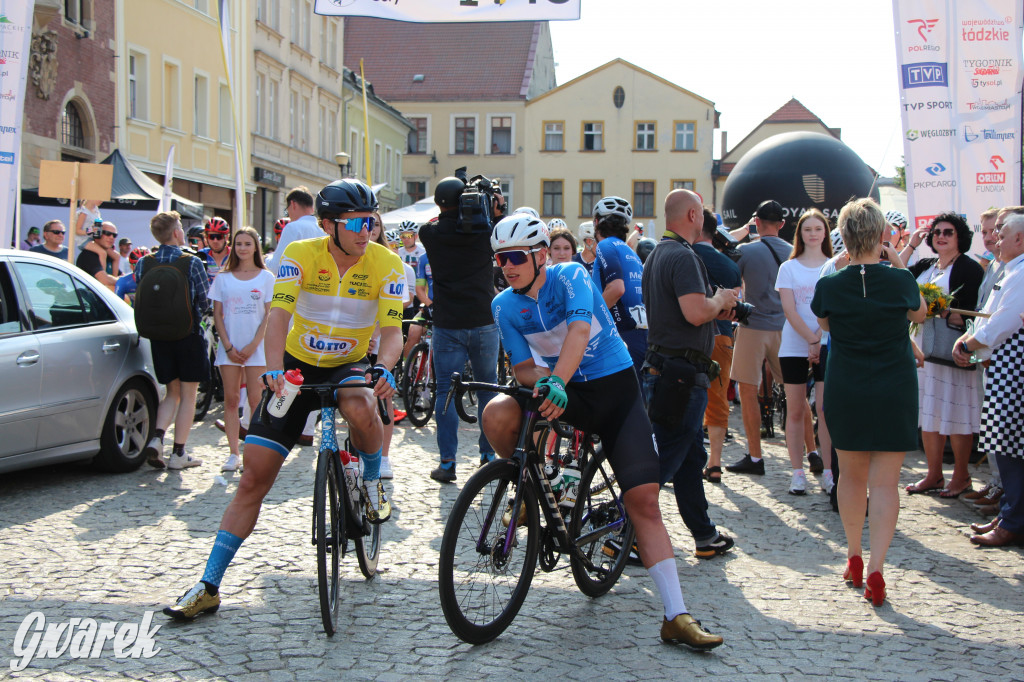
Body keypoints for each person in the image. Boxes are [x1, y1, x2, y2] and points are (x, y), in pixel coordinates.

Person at [163, 179, 402, 621]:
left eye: (370, 221)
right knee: (252, 480)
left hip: (348, 362)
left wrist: (385, 366)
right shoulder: (300, 255)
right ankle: (208, 584)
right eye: (355, 223)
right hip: (295, 364)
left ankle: (371, 478)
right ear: (328, 224)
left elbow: (391, 332)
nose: (365, 230)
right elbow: (279, 317)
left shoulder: (387, 264)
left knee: (359, 400)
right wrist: (273, 370)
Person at [483, 212, 723, 649]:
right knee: (497, 413)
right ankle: (534, 491)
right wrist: (546, 382)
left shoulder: (570, 274)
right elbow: (520, 367)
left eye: (515, 256)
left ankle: (676, 615)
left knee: (643, 502)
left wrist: (555, 377)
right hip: (566, 391)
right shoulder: (504, 305)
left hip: (614, 392)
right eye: (500, 259)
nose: (507, 266)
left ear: (540, 254)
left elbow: (578, 329)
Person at [810, 198, 926, 606]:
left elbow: (824, 324)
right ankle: (877, 566)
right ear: (881, 236)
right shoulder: (900, 280)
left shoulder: (830, 284)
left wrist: (845, 270)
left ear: (843, 236)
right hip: (894, 385)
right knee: (885, 483)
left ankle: (854, 555)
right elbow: (920, 315)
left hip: (848, 385)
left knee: (852, 477)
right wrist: (897, 266)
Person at [643, 190, 737, 559]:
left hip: (668, 368)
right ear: (694, 215)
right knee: (666, 457)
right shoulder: (683, 256)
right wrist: (721, 301)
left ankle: (703, 534)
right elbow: (696, 313)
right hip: (680, 374)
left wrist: (715, 305)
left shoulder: (657, 254)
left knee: (689, 457)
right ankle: (626, 530)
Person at [419, 175, 500, 482]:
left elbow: (440, 223)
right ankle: (488, 454)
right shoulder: (485, 234)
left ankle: (448, 462)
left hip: (448, 324)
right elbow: (492, 225)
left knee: (445, 391)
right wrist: (489, 202)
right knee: (487, 388)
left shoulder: (430, 233)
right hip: (483, 320)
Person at [954, 213, 1024, 546]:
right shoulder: (1010, 269)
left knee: (1010, 446)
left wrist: (969, 342)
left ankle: (1013, 520)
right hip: (1001, 366)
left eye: (1001, 232)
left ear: (1020, 239)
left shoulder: (1021, 271)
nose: (995, 237)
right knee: (1004, 444)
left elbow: (1003, 321)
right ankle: (1010, 514)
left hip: (1013, 369)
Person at [903, 213, 984, 498]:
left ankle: (961, 475)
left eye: (948, 232)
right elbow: (895, 276)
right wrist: (910, 245)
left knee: (956, 413)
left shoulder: (970, 268)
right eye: (936, 232)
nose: (941, 236)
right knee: (929, 414)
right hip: (924, 349)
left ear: (959, 236)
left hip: (952, 351)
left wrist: (947, 311)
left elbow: (976, 310)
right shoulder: (926, 264)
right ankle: (933, 474)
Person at [138, 211, 211, 470]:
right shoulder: (190, 262)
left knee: (172, 393)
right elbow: (205, 301)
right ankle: (178, 453)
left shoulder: (144, 263)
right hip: (188, 336)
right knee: (189, 395)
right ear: (178, 233)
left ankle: (157, 438)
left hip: (159, 337)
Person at [725, 200, 789, 476]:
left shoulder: (746, 251)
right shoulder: (793, 251)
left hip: (753, 325)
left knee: (748, 392)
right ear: (782, 224)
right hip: (786, 327)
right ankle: (811, 453)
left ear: (757, 223)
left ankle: (755, 455)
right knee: (795, 391)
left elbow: (730, 281)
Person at [775, 209, 835, 495]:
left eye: (818, 229)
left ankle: (829, 471)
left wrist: (819, 339)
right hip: (795, 343)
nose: (813, 234)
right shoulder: (788, 268)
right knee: (795, 409)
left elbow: (835, 309)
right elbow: (789, 308)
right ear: (800, 234)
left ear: (825, 233)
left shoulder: (834, 266)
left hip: (827, 342)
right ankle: (797, 472)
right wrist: (811, 339)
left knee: (824, 409)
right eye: (807, 229)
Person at [210, 226, 276, 473]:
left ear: (255, 247)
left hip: (255, 349)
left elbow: (269, 315)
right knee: (231, 400)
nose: (242, 248)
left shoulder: (266, 277)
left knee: (256, 400)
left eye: (247, 244)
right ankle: (233, 453)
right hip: (229, 349)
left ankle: (253, 453)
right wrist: (227, 345)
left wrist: (253, 345)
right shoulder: (223, 277)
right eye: (238, 244)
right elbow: (218, 314)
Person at [691, 207, 742, 484]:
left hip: (690, 337)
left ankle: (690, 458)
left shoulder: (684, 255)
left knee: (688, 398)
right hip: (722, 336)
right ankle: (715, 463)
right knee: (718, 399)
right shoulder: (730, 265)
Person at [592, 196, 648, 378]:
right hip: (641, 335)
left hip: (621, 336)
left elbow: (616, 289)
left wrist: (589, 321)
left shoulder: (605, 246)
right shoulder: (631, 253)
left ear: (596, 222)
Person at [266, 187, 321, 275]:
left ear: (293, 204)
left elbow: (276, 267)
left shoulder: (293, 227)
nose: (289, 215)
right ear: (312, 208)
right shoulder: (324, 229)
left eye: (287, 209)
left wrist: (266, 258)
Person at [75, 221, 120, 291]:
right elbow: (104, 280)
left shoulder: (111, 256)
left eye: (114, 235)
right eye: (107, 233)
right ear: (97, 233)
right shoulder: (88, 254)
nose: (111, 237)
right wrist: (120, 281)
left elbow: (121, 275)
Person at [199, 217, 231, 282]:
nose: (215, 241)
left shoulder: (234, 255)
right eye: (212, 237)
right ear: (206, 238)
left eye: (219, 237)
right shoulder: (201, 255)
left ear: (226, 237)